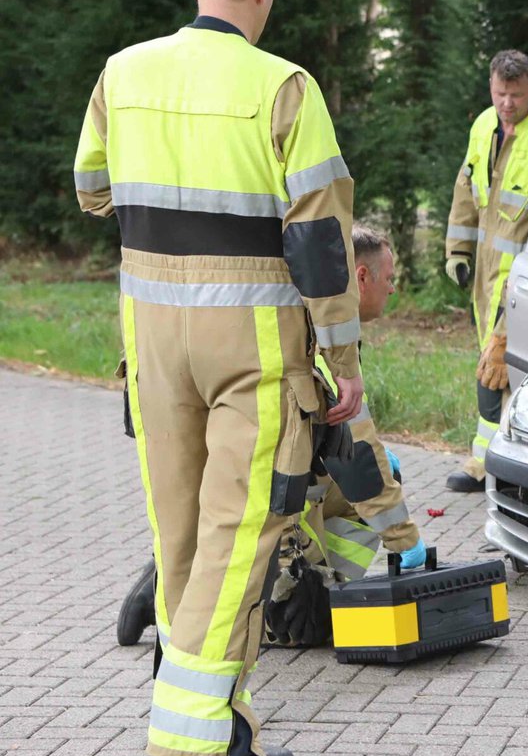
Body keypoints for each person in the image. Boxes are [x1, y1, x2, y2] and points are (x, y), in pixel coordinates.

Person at [72, 0, 360, 756]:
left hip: (153, 339)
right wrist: (343, 360)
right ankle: (193, 737)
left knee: (183, 533)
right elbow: (318, 244)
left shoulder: (123, 73)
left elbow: (91, 189)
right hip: (253, 345)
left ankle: (216, 719)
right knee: (240, 536)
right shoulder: (286, 88)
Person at [114, 225, 427, 649]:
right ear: (361, 276)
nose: (393, 290)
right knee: (306, 627)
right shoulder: (320, 337)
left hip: (229, 492)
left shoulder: (268, 306)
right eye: (389, 279)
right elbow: (358, 461)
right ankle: (228, 586)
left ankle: (186, 570)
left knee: (368, 481)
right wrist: (406, 542)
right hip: (264, 505)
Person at [443, 50, 528, 492]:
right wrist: (456, 251)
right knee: (490, 368)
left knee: (517, 371)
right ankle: (487, 462)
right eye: (500, 94)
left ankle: (515, 472)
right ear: (491, 87)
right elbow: (466, 188)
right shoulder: (483, 125)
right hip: (486, 276)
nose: (506, 104)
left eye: (515, 95)